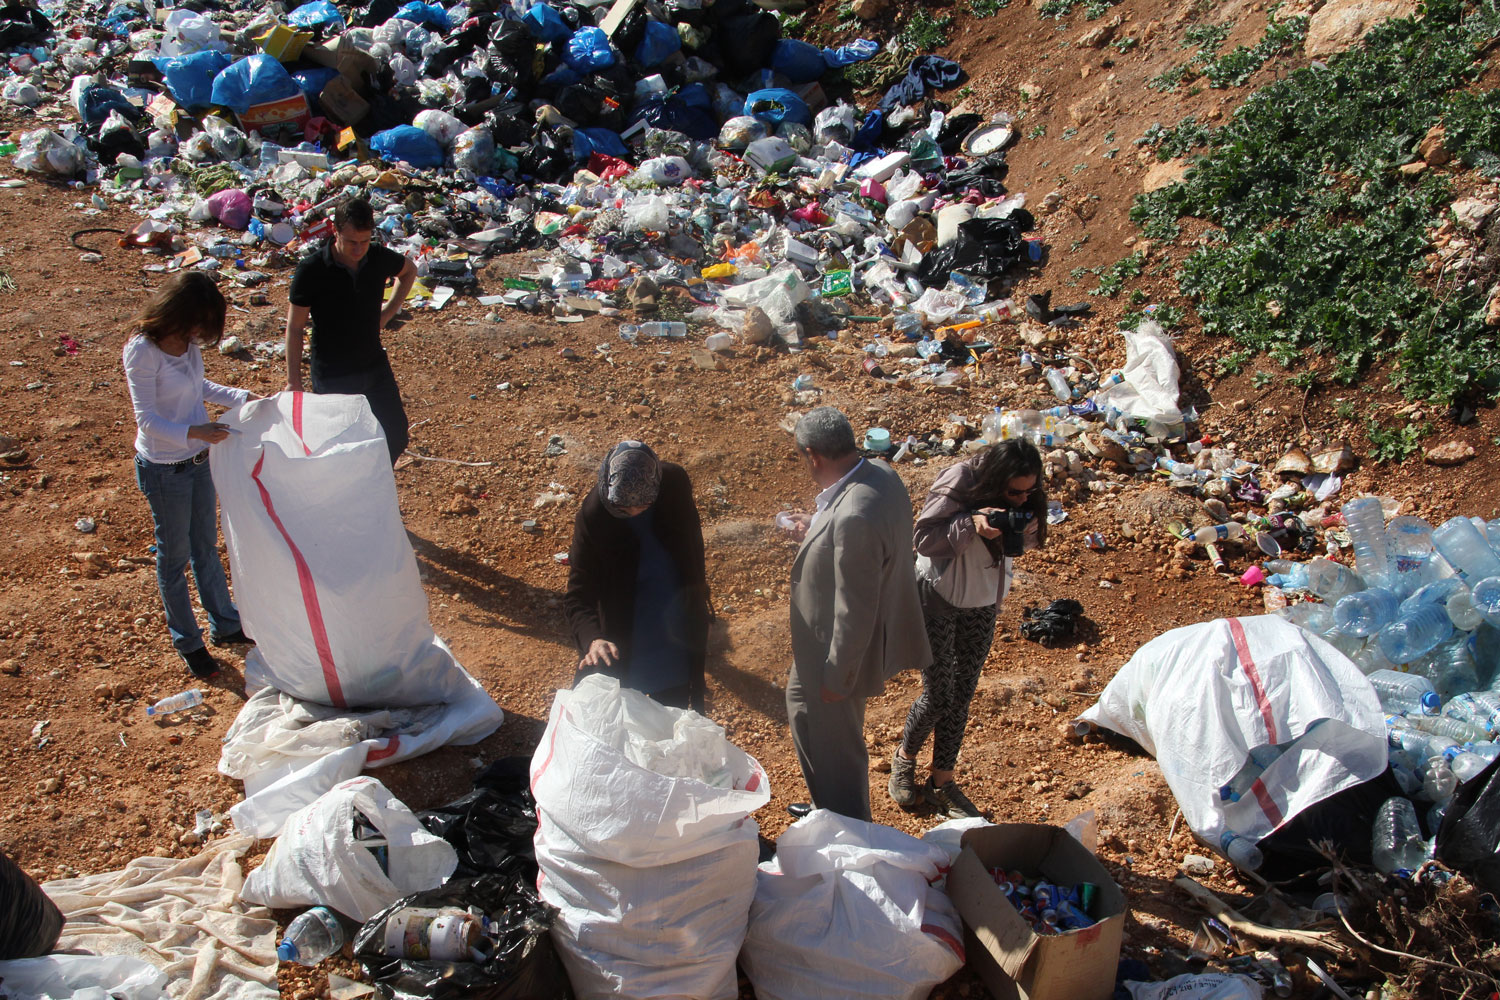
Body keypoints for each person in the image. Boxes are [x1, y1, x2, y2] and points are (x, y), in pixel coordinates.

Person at [781, 408, 931, 821]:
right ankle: (827, 809)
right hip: (830, 645)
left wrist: (838, 678)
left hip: (840, 652)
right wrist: (818, 525)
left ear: (813, 456)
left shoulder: (853, 516)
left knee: (838, 745)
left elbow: (855, 608)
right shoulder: (879, 473)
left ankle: (850, 831)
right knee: (801, 706)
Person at [889, 439, 1047, 818]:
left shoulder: (1025, 494)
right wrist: (970, 524)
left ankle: (942, 781)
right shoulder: (962, 478)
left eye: (1029, 491)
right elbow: (923, 539)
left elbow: (1030, 541)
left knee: (963, 694)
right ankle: (904, 759)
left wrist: (1024, 525)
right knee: (939, 694)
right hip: (937, 597)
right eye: (1013, 493)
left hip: (982, 601)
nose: (1022, 499)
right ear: (994, 479)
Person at [123, 272, 257, 678]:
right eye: (196, 322)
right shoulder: (142, 350)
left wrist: (244, 398)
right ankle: (189, 640)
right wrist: (196, 432)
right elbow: (146, 419)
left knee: (204, 545)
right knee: (174, 557)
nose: (199, 331)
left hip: (198, 461)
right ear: (177, 313)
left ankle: (225, 624)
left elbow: (199, 386)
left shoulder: (187, 345)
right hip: (165, 469)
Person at [564, 441, 712, 712]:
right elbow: (578, 593)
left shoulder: (674, 485)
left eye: (642, 505)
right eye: (621, 508)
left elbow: (692, 548)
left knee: (672, 720)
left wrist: (699, 600)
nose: (632, 512)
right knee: (622, 725)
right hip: (626, 639)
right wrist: (593, 639)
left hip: (675, 638)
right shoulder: (594, 515)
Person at [284, 197, 418, 464]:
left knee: (395, 434)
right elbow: (295, 327)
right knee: (340, 445)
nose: (358, 250)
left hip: (373, 363)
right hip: (333, 372)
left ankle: (372, 486)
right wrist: (293, 381)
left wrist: (388, 312)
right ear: (335, 231)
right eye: (351, 242)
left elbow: (409, 271)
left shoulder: (377, 257)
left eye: (365, 242)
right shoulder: (312, 269)